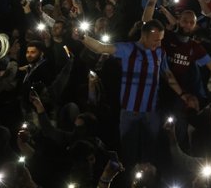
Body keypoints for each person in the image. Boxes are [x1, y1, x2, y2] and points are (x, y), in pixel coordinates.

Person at [77, 20, 197, 163]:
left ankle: (147, 180)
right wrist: (83, 37)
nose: (158, 43)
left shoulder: (160, 52)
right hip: (130, 112)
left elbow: (167, 74)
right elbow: (100, 48)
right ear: (144, 36)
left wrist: (182, 95)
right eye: (155, 40)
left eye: (161, 40)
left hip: (152, 112)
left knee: (150, 152)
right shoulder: (128, 49)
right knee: (129, 153)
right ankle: (129, 181)